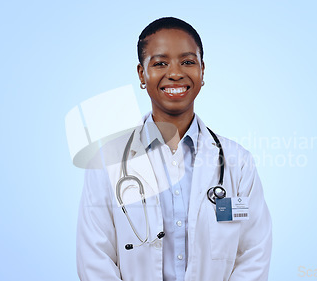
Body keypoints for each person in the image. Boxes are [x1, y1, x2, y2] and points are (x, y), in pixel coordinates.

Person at [76, 17, 272, 281]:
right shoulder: (108, 160)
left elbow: (254, 253)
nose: (176, 72)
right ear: (141, 74)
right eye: (160, 63)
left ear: (202, 71)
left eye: (188, 62)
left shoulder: (238, 161)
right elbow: (94, 259)